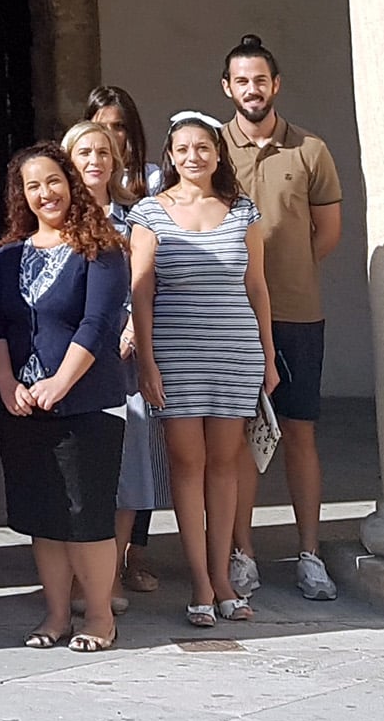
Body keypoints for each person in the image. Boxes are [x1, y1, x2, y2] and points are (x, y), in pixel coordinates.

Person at [0, 144, 129, 652]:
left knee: (86, 518)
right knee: (44, 517)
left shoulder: (102, 249)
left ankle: (101, 618)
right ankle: (57, 614)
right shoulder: (9, 256)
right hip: (23, 407)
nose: (46, 194)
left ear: (71, 182)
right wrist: (6, 385)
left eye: (53, 181)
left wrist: (60, 383)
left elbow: (99, 323)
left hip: (87, 405)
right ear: (22, 196)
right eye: (33, 186)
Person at [131, 112, 278, 628]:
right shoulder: (149, 213)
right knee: (185, 466)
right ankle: (198, 581)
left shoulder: (242, 210)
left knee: (225, 465)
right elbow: (141, 291)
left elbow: (257, 286)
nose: (194, 156)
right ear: (170, 156)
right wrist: (147, 360)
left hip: (234, 352)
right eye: (183, 148)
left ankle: (223, 580)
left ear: (218, 154)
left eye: (203, 147)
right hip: (175, 355)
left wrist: (267, 354)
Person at [221, 35, 344, 601]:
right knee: (238, 438)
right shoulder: (211, 149)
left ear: (276, 85)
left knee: (298, 432)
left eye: (260, 80)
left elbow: (328, 233)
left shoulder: (311, 150)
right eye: (241, 81)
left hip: (296, 312)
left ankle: (310, 553)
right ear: (228, 89)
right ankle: (241, 551)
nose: (252, 89)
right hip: (227, 317)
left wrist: (282, 276)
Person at [63, 119, 166, 618]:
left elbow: (147, 283)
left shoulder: (136, 217)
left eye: (103, 152)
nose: (94, 161)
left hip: (121, 360)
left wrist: (131, 335)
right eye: (84, 152)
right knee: (76, 472)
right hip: (67, 360)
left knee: (127, 468)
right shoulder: (55, 215)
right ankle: (76, 577)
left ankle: (113, 570)